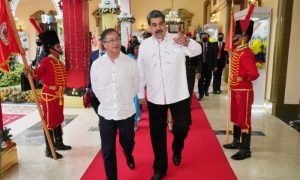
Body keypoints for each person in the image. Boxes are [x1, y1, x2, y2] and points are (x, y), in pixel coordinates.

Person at [137, 10, 201, 180]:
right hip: (155, 96)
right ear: (150, 26)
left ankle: (177, 147)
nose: (158, 28)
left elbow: (197, 50)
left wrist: (187, 41)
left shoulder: (177, 40)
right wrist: (139, 92)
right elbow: (141, 71)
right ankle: (159, 169)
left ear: (165, 24)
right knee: (157, 134)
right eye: (154, 25)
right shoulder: (144, 46)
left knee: (182, 127)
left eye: (160, 24)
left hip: (178, 94)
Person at [90, 28, 139, 180]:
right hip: (106, 113)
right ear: (103, 44)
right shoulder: (97, 65)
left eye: (117, 39)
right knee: (108, 150)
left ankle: (128, 152)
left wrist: (123, 99)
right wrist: (108, 102)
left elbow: (135, 85)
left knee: (128, 142)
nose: (115, 43)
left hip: (126, 112)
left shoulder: (130, 63)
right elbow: (96, 88)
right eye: (111, 40)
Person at [23, 30, 71, 159]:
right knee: (49, 121)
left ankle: (59, 143)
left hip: (58, 95)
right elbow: (38, 72)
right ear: (51, 49)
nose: (60, 48)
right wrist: (30, 71)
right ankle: (49, 149)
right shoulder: (46, 61)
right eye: (57, 46)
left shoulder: (58, 61)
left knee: (58, 119)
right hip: (49, 95)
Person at [222, 19, 259, 160]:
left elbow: (254, 74)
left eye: (237, 34)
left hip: (244, 91)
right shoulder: (238, 51)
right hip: (236, 90)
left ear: (245, 37)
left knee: (244, 120)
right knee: (236, 117)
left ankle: (246, 149)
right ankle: (237, 142)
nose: (234, 37)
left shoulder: (247, 53)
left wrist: (243, 78)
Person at [88, 36, 105, 113]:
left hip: (105, 85)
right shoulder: (93, 54)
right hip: (95, 86)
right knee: (94, 103)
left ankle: (103, 120)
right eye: (99, 40)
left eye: (102, 40)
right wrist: (88, 85)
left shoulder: (110, 54)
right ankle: (101, 117)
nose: (101, 42)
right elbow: (90, 70)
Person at [197, 33, 217, 101]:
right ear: (201, 38)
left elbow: (214, 56)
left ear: (208, 38)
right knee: (200, 81)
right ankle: (201, 94)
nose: (205, 37)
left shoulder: (212, 45)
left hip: (209, 66)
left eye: (206, 36)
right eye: (203, 36)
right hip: (201, 66)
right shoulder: (198, 45)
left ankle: (206, 90)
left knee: (208, 79)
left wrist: (215, 66)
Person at [128, 43, 142, 131]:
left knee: (136, 102)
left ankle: (135, 121)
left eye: (139, 48)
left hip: (139, 84)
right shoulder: (128, 57)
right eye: (136, 48)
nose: (138, 50)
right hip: (129, 84)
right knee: (131, 103)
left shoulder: (142, 58)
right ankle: (135, 118)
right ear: (132, 49)